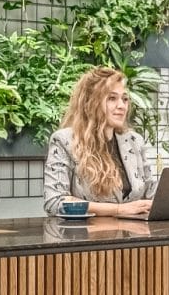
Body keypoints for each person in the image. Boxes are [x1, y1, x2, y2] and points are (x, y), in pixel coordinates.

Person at [44, 66, 156, 218]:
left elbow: (152, 192)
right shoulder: (64, 140)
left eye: (124, 99)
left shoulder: (135, 141)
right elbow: (55, 202)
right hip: (86, 236)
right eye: (112, 98)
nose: (121, 106)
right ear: (91, 103)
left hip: (134, 236)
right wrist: (118, 210)